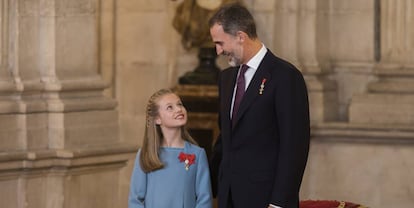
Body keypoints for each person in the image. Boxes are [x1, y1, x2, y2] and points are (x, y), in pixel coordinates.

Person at [208, 3, 310, 208]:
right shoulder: (226, 78)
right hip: (229, 198)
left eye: (220, 43)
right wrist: (205, 186)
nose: (218, 51)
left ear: (240, 36)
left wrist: (280, 202)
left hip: (265, 199)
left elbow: (294, 146)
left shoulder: (285, 76)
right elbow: (225, 139)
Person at [128, 88, 212, 208]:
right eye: (170, 107)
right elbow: (135, 200)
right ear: (157, 119)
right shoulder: (146, 154)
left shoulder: (197, 154)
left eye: (180, 104)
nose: (179, 109)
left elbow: (204, 199)